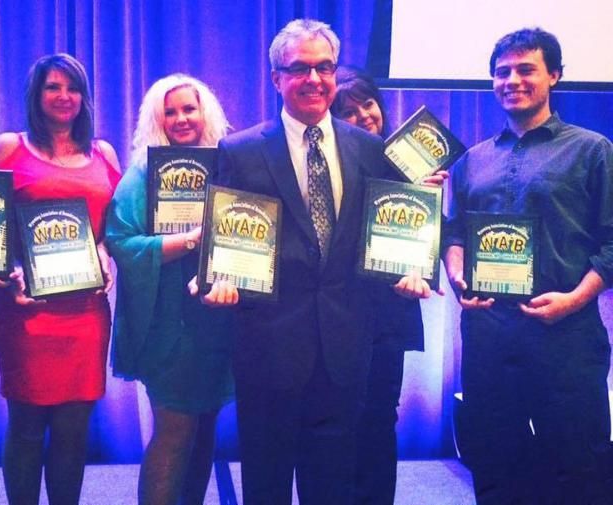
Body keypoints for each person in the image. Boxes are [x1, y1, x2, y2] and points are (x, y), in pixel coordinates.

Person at [201, 19, 432, 505]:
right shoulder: (240, 150)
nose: (314, 79)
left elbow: (389, 232)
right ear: (276, 78)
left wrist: (413, 265)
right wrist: (217, 278)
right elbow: (226, 241)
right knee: (266, 485)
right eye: (300, 68)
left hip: (345, 348)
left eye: (324, 67)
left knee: (331, 486)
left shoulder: (369, 148)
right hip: (268, 350)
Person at [443, 28, 613, 505]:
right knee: (496, 466)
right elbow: (454, 234)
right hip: (489, 337)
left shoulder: (592, 150)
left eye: (526, 70)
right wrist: (457, 277)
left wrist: (575, 299)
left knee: (579, 467)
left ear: (554, 75)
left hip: (566, 337)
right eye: (502, 72)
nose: (512, 81)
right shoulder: (472, 160)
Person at [0, 53, 121, 504]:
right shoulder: (10, 147)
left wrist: (104, 250)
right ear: (36, 95)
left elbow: (116, 226)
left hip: (86, 315)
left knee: (73, 429)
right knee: (26, 426)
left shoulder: (103, 153)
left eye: (73, 88)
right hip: (27, 313)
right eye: (53, 87)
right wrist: (8, 273)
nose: (64, 96)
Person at [105, 74, 235, 505]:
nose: (181, 119)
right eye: (171, 112)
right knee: (174, 432)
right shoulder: (143, 172)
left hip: (218, 320)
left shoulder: (228, 164)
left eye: (189, 109)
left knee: (204, 430)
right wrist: (192, 239)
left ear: (205, 113)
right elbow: (121, 242)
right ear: (156, 120)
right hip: (168, 326)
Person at [331, 66, 435, 505]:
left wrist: (428, 198)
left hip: (389, 311)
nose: (363, 117)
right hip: (336, 313)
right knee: (337, 421)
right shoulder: (325, 163)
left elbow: (426, 240)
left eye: (368, 104)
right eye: (349, 111)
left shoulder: (412, 163)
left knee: (378, 419)